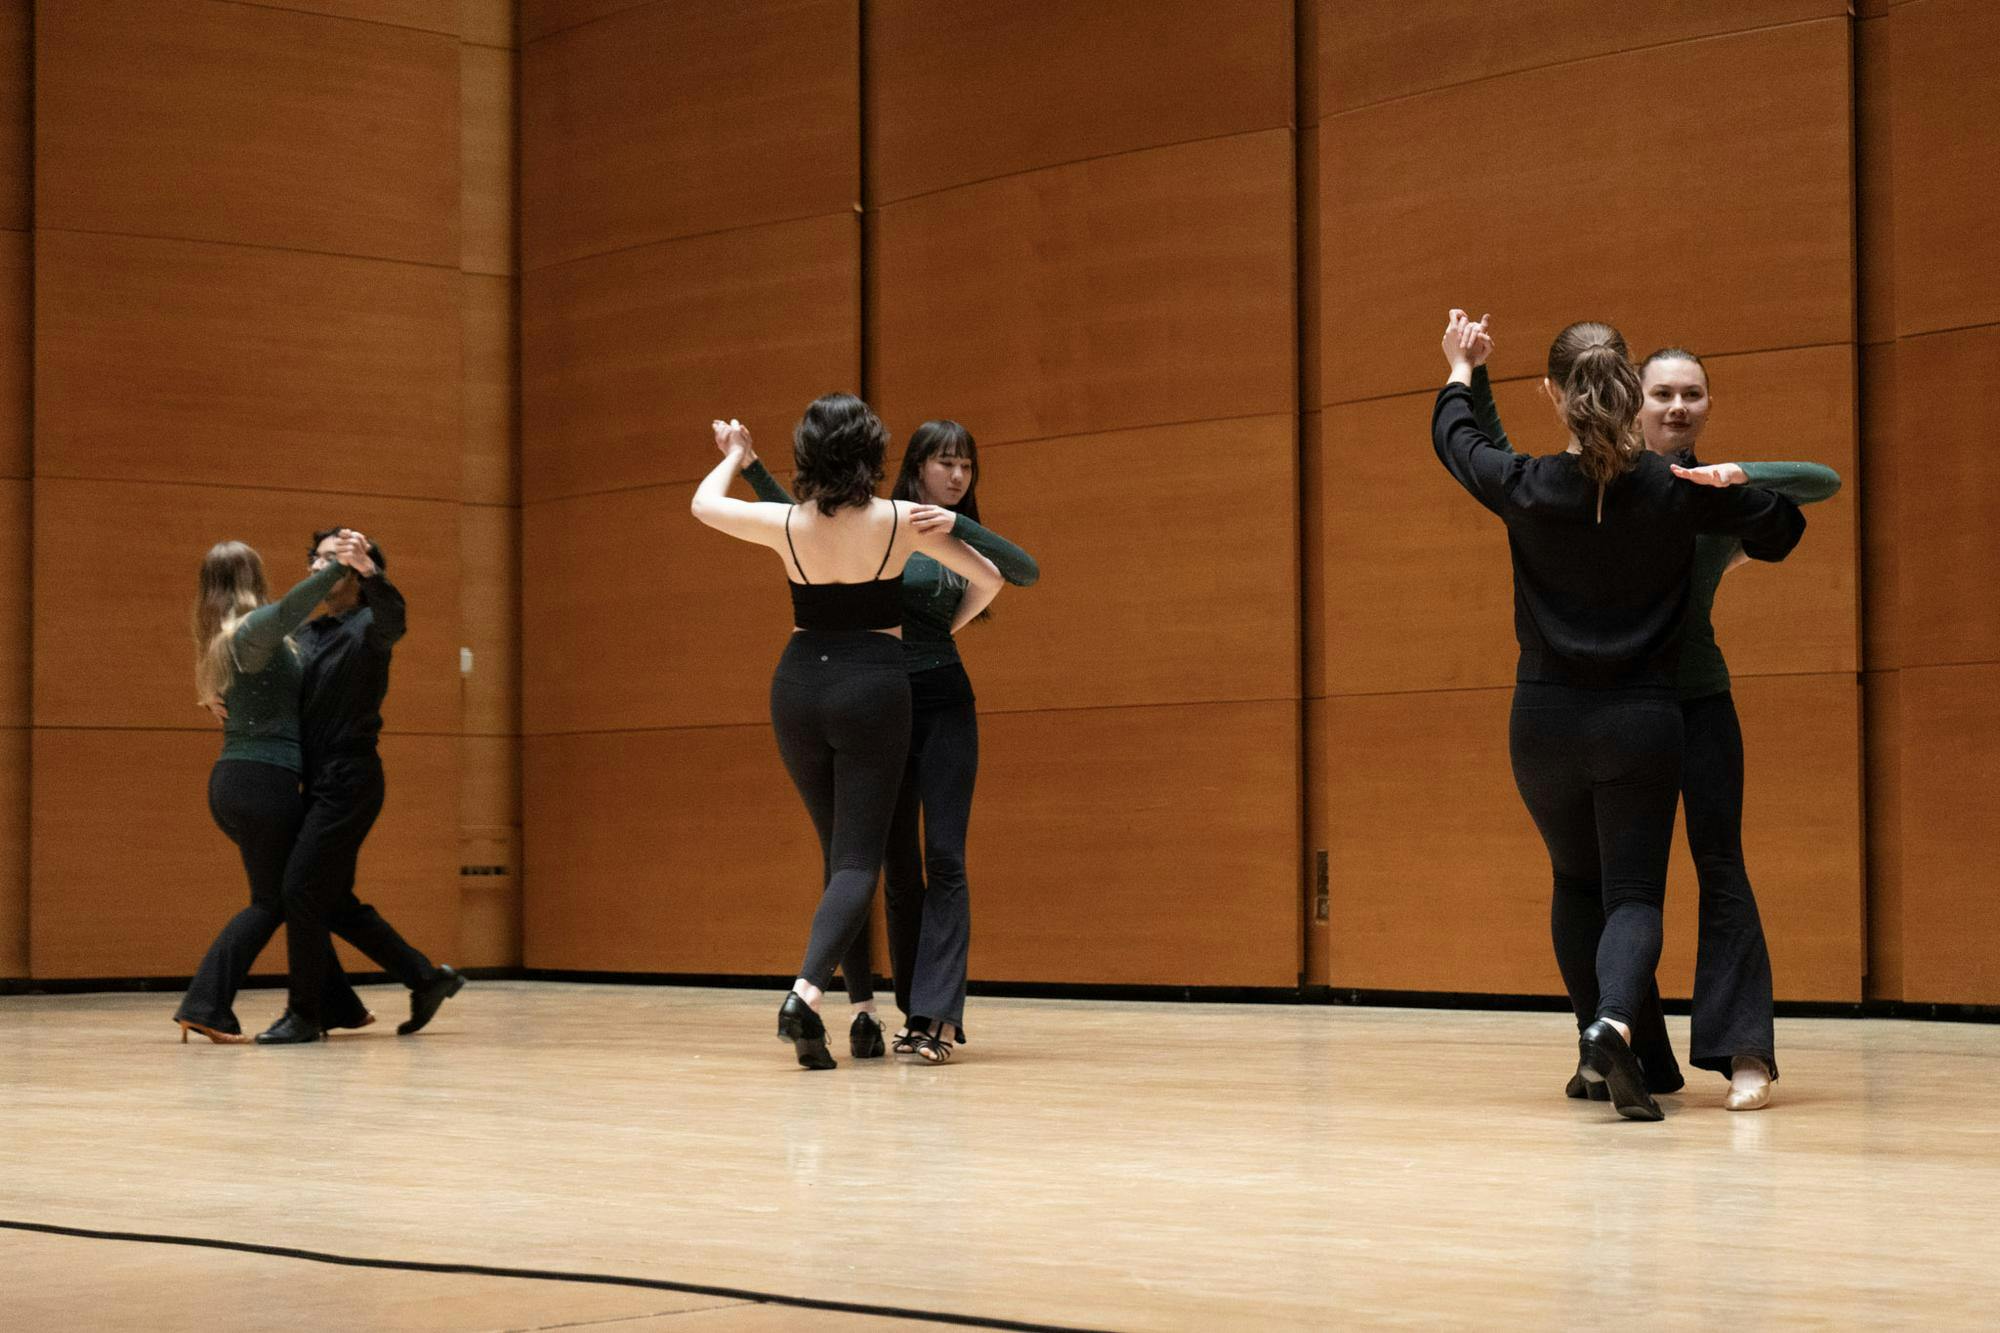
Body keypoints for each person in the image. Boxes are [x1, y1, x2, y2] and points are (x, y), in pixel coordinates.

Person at [1431, 312, 1805, 1119]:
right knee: (1634, 893)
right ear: (1632, 394)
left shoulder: (1525, 484)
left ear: (1557, 396)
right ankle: (1613, 1024)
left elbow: (1459, 441)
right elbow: (1785, 523)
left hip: (1542, 721)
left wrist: (1462, 369)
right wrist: (1738, 486)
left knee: (1576, 880)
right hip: (1640, 720)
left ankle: (1600, 1045)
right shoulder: (1676, 491)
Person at [691, 395, 1001, 1069]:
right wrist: (942, 630)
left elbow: (704, 505)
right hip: (874, 686)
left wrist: (737, 457)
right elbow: (990, 575)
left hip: (797, 687)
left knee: (840, 859)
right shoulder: (898, 518)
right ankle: (805, 994)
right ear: (873, 454)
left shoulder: (785, 522)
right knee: (860, 862)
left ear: (807, 454)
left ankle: (862, 1010)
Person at [255, 530, 463, 1045]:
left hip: (350, 777)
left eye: (331, 560)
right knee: (332, 901)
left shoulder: (370, 625)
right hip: (314, 778)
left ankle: (304, 1014)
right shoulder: (305, 634)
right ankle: (425, 978)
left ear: (355, 573)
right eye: (315, 559)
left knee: (300, 889)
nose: (316, 569)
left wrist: (373, 573)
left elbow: (396, 618)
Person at [174, 535, 375, 1043]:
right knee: (273, 900)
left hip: (241, 782)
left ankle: (339, 1004)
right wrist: (339, 566)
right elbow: (290, 610)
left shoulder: (228, 639)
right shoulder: (253, 630)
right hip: (262, 784)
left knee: (295, 894)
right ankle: (205, 1005)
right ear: (253, 578)